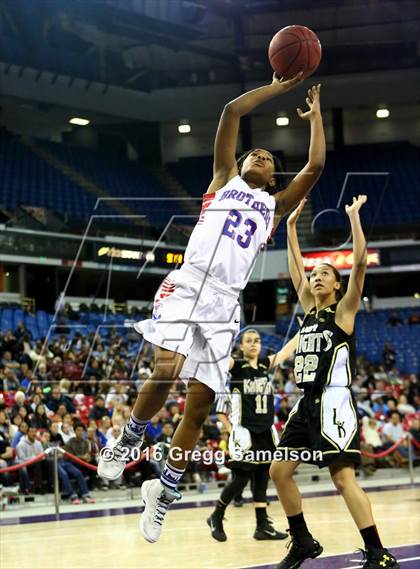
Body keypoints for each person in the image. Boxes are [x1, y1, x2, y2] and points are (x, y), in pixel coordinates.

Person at [98, 75, 325, 544]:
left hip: (224, 304)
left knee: (198, 410)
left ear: (274, 176)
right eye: (253, 153)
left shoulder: (275, 207)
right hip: (188, 284)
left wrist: (317, 119)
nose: (260, 155)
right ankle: (130, 438)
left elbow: (317, 164)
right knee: (166, 369)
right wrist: (277, 87)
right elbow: (230, 113)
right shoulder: (222, 181)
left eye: (267, 157)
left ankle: (163, 490)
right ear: (238, 164)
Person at [270, 197, 399, 568]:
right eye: (314, 274)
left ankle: (378, 552)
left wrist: (354, 219)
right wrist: (291, 227)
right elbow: (296, 265)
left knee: (342, 479)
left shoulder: (344, 312)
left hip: (334, 404)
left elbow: (359, 263)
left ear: (338, 286)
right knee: (279, 471)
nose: (316, 276)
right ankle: (303, 541)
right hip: (305, 402)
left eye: (325, 273)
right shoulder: (308, 312)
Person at [207, 329, 297, 542]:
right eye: (249, 341)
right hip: (244, 431)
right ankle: (216, 515)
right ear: (241, 346)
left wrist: (303, 331)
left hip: (265, 430)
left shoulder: (265, 365)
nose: (254, 344)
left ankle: (262, 525)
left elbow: (285, 352)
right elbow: (218, 357)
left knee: (262, 477)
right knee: (242, 477)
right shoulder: (236, 366)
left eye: (257, 340)